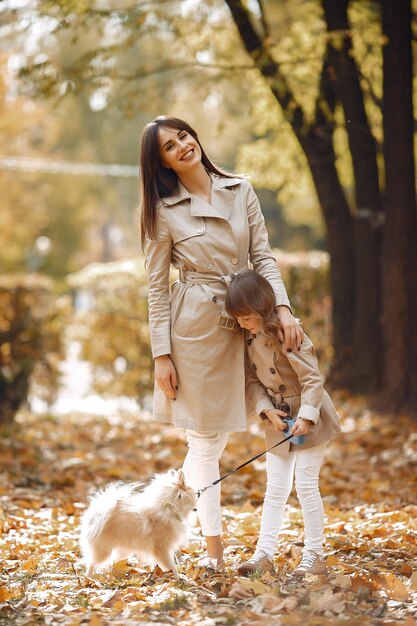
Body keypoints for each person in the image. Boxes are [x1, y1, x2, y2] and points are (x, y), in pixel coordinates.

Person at [139, 116, 303, 570]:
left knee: (279, 423)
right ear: (163, 164)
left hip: (254, 320)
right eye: (170, 147)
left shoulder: (240, 189)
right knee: (207, 443)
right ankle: (213, 554)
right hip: (197, 330)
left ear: (195, 137)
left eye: (184, 136)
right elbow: (156, 288)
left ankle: (270, 544)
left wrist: (283, 310)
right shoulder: (163, 210)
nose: (182, 147)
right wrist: (161, 355)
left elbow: (263, 256)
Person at [225, 269, 340, 577]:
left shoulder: (288, 334)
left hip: (309, 418)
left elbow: (313, 379)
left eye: (245, 318)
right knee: (275, 489)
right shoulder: (248, 338)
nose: (241, 324)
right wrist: (266, 410)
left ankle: (314, 554)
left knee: (305, 485)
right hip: (278, 420)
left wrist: (306, 417)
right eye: (237, 319)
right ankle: (264, 553)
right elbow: (252, 381)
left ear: (262, 309)